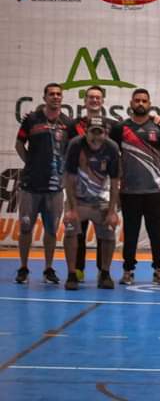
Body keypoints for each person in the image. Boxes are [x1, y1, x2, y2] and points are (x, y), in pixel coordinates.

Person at [15, 83, 72, 284]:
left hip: (55, 189)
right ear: (44, 97)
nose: (55, 97)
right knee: (25, 228)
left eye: (58, 94)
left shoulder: (68, 123)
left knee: (51, 231)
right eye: (51, 94)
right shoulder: (31, 120)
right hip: (30, 186)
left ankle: (48, 268)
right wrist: (31, 162)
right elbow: (19, 144)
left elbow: (73, 150)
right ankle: (23, 267)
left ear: (62, 98)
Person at [110, 88, 160, 286]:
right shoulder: (120, 128)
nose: (140, 104)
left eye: (144, 100)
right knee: (131, 233)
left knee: (156, 234)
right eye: (137, 100)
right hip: (129, 191)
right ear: (131, 103)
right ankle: (128, 270)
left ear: (149, 103)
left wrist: (150, 168)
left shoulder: (159, 127)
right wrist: (118, 185)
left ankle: (159, 270)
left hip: (154, 191)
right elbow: (114, 156)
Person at [66, 85, 120, 282]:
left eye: (100, 132)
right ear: (85, 131)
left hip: (101, 199)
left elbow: (115, 182)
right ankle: (73, 273)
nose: (96, 136)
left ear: (105, 132)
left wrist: (113, 210)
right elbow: (69, 177)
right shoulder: (74, 142)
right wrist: (71, 207)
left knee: (108, 232)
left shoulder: (112, 145)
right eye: (93, 132)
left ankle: (104, 272)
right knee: (72, 230)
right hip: (78, 198)